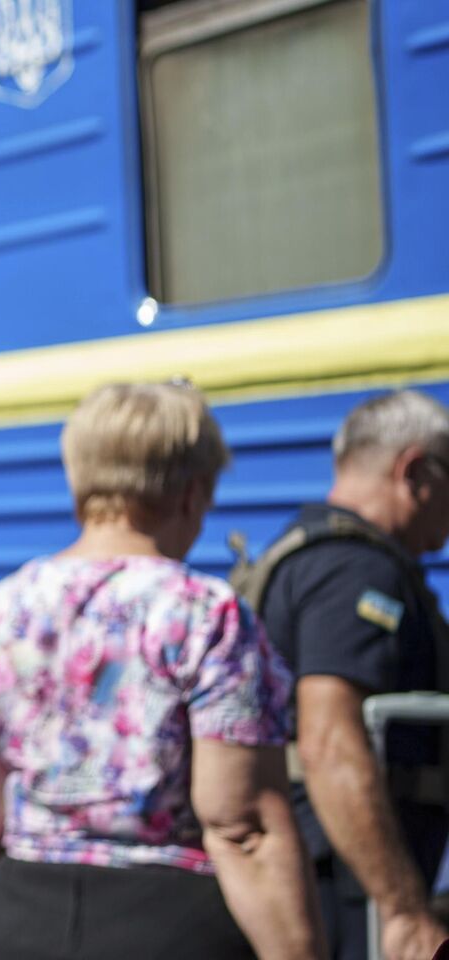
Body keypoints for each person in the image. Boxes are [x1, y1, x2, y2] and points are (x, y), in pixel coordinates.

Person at [0, 382, 322, 960]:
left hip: (23, 910)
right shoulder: (204, 611)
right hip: (167, 920)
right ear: (192, 492)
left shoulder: (2, 608)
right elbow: (240, 823)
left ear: (80, 480)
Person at [234, 390, 449, 960]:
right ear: (416, 473)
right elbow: (330, 740)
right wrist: (403, 909)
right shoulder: (357, 571)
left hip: (331, 862)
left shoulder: (305, 549)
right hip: (348, 877)